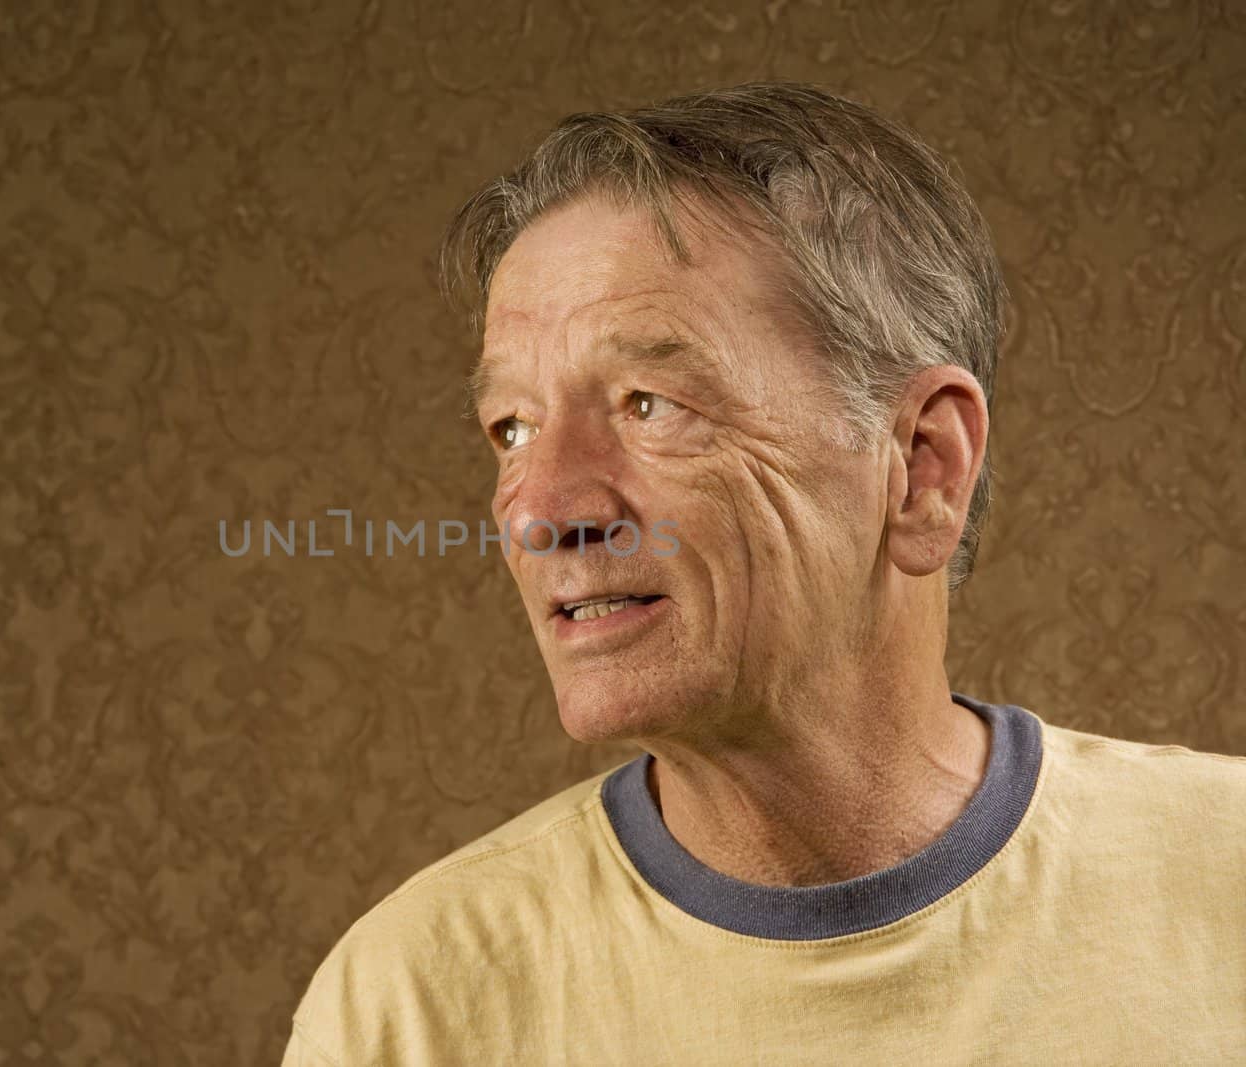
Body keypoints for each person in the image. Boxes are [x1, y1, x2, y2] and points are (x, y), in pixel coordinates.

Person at [281, 82, 1246, 1064]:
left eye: (647, 402)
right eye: (513, 426)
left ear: (920, 467)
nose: (538, 509)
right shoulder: (409, 1006)